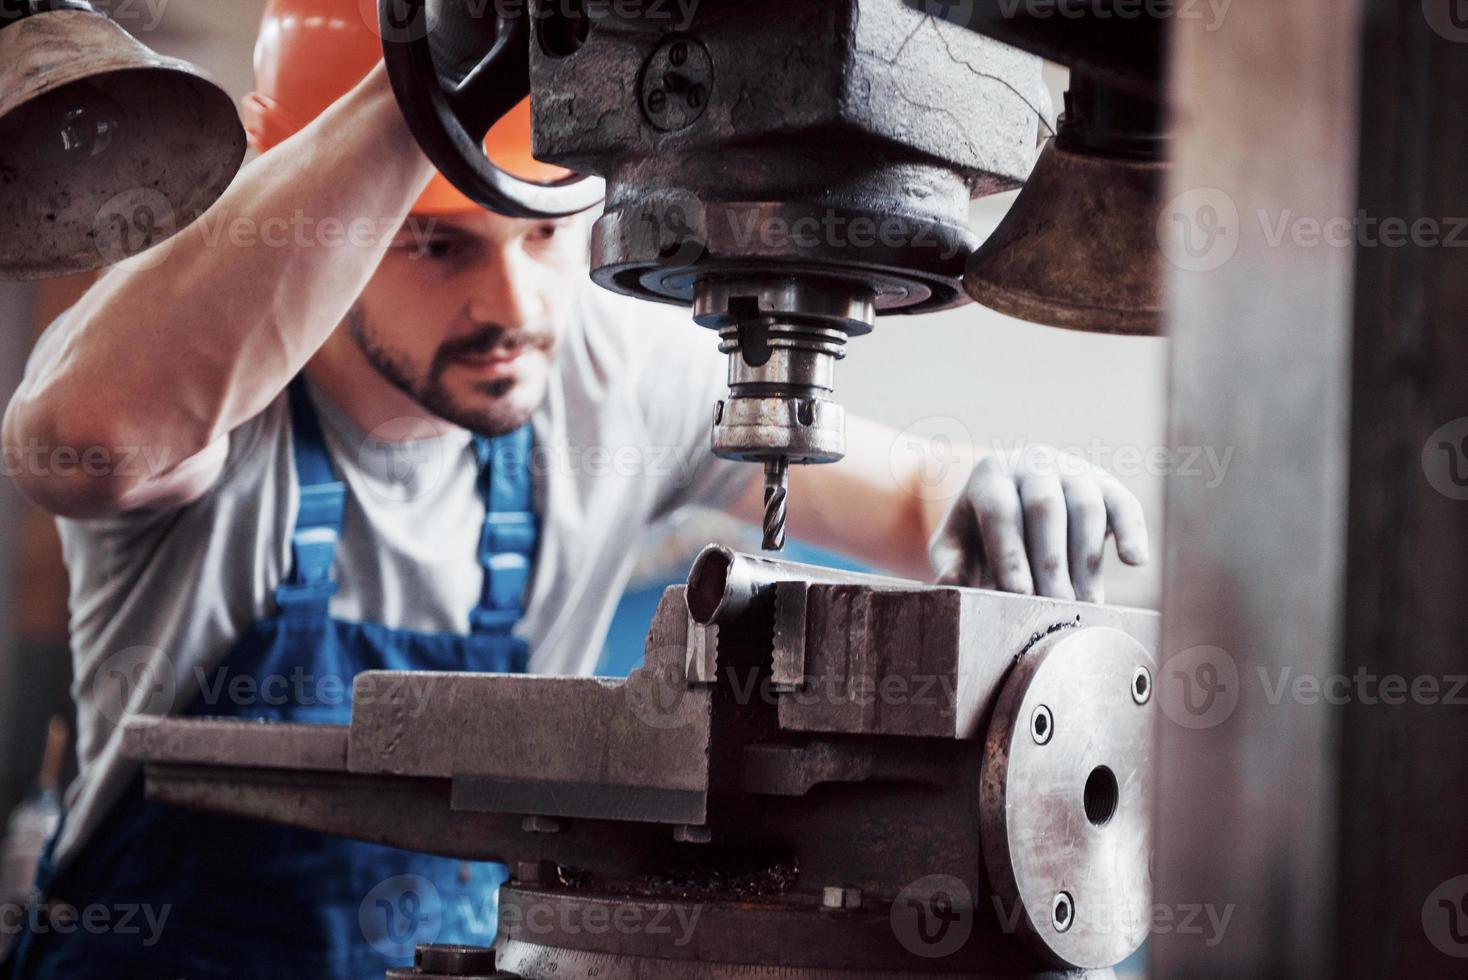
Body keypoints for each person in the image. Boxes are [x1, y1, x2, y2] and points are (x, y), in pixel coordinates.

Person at [0, 1, 1150, 976]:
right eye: (433, 245)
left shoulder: (594, 375)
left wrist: (1008, 486)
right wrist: (422, 89)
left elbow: (919, 502)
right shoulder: (216, 392)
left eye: (543, 232)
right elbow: (79, 438)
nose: (515, 307)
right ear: (319, 208)